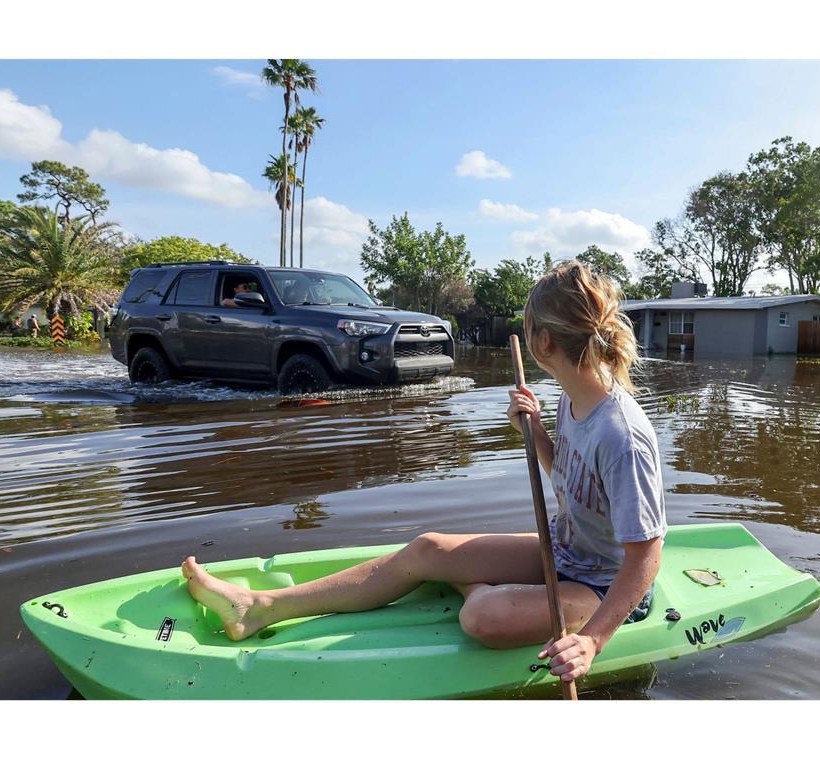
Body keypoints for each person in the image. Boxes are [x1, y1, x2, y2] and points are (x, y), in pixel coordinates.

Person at [181, 261, 666, 683]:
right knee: (429, 547)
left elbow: (646, 556)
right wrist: (536, 431)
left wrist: (594, 642)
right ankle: (262, 607)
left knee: (482, 616)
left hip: (602, 583)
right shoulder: (570, 398)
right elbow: (572, 481)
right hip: (561, 550)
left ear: (541, 341)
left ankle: (488, 589)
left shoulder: (622, 434)